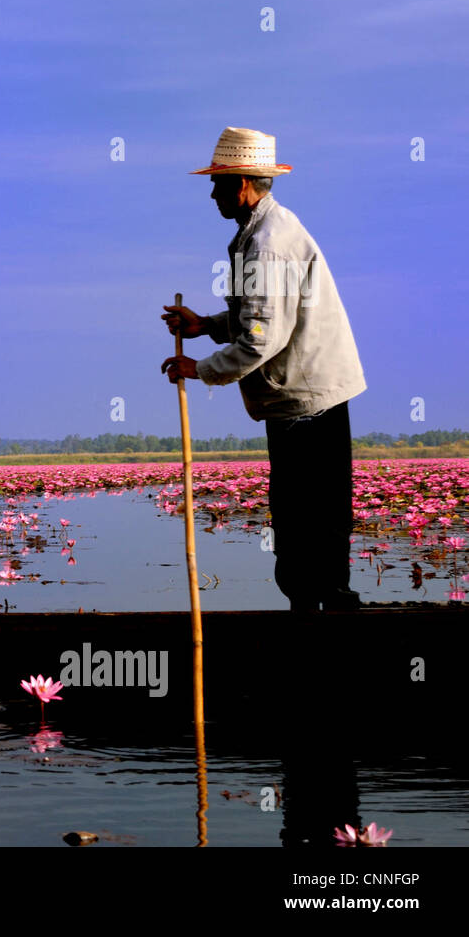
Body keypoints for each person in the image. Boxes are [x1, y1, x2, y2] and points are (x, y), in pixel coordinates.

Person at [160, 127, 366, 613]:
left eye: (218, 184)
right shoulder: (259, 235)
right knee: (308, 511)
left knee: (306, 513)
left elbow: (261, 337)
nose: (211, 194)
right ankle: (317, 607)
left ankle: (322, 612)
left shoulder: (267, 244)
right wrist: (207, 324)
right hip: (301, 394)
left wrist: (202, 368)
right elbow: (258, 315)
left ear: (244, 186)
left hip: (307, 396)